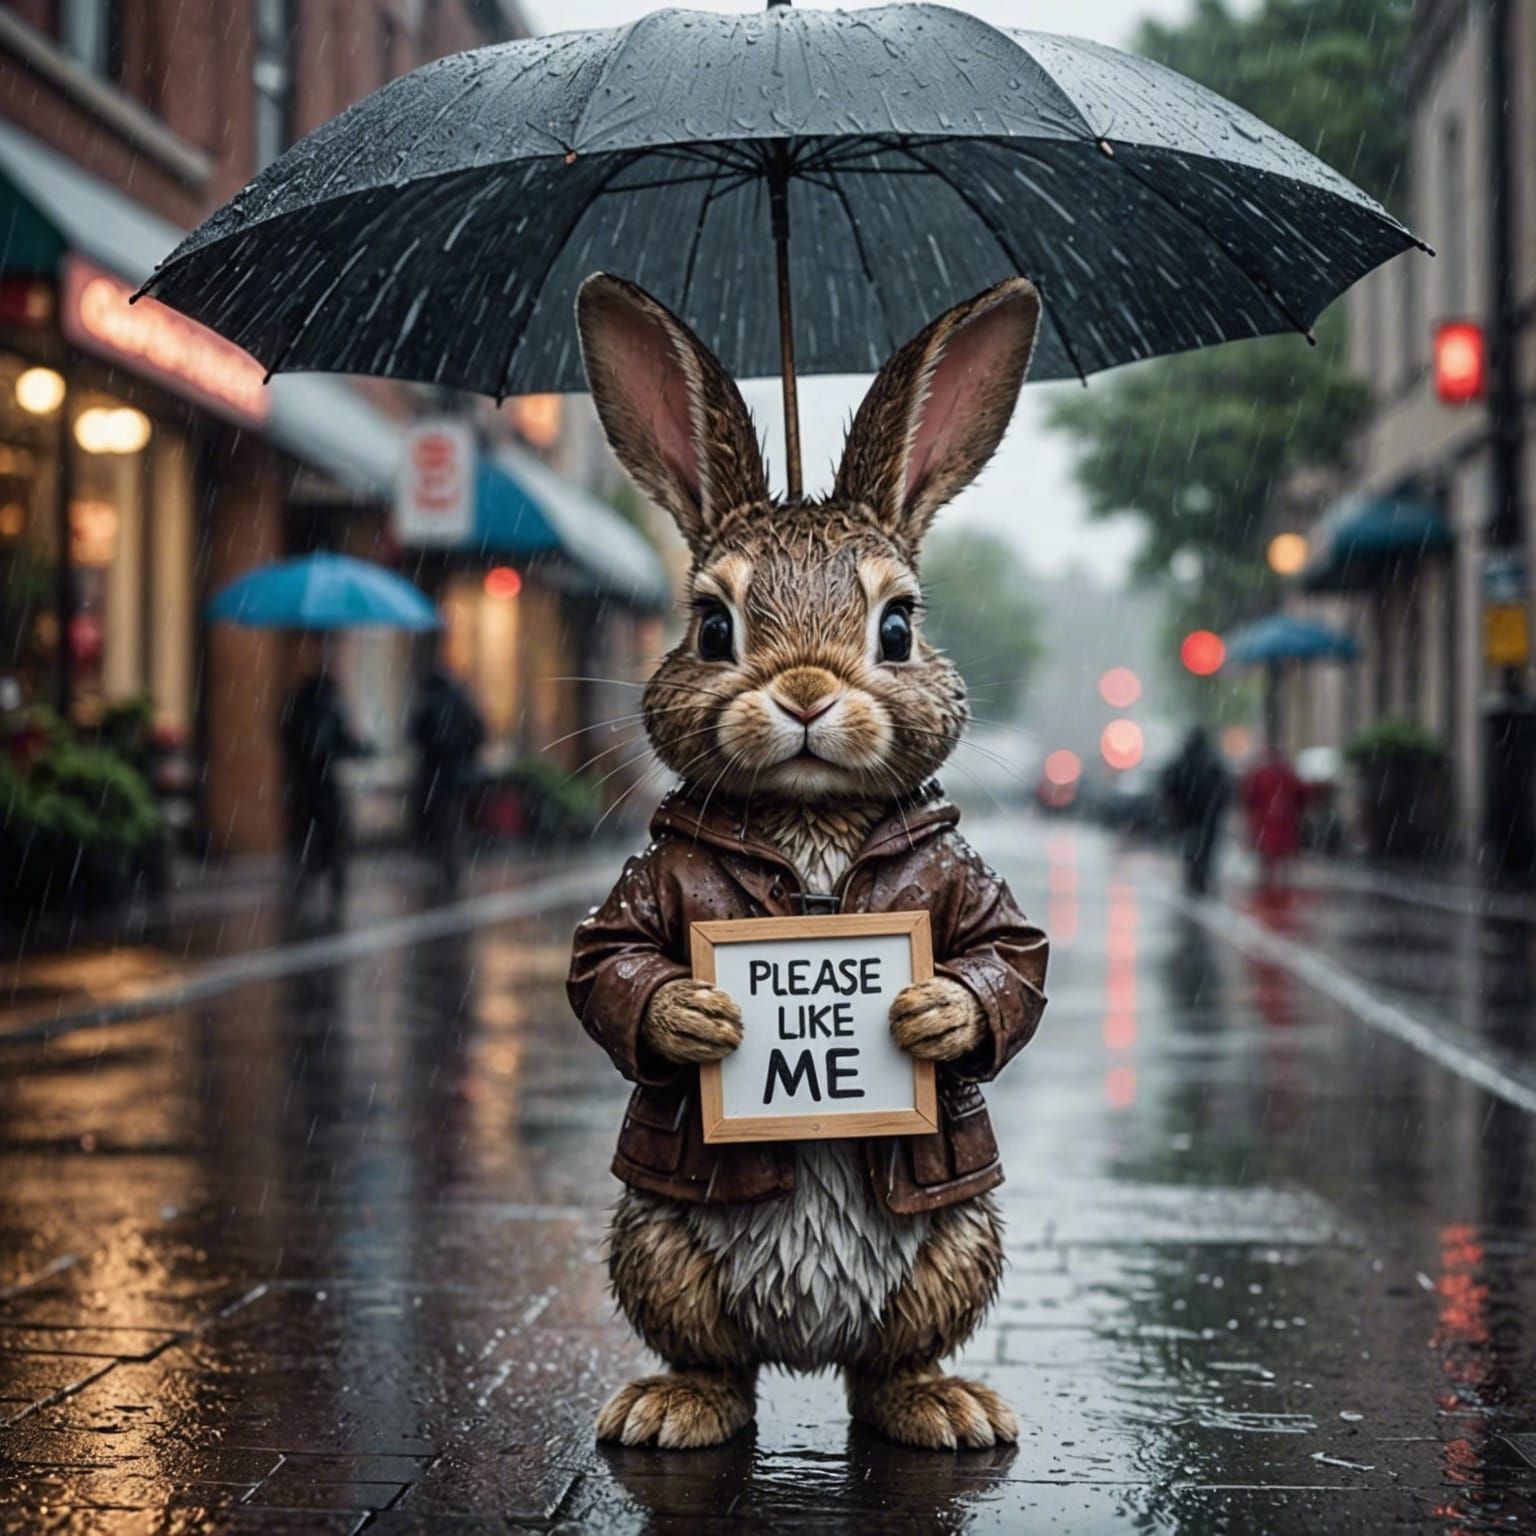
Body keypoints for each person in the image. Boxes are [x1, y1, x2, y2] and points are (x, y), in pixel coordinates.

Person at [280, 645, 371, 915]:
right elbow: (339, 741)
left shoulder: (299, 702)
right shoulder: (325, 705)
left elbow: (288, 736)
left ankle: (307, 882)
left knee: (308, 838)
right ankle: (326, 883)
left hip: (301, 785)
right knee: (330, 837)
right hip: (319, 786)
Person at [410, 661, 485, 895]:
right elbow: (479, 732)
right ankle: (452, 864)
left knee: (438, 820)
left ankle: (444, 863)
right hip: (459, 774)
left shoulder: (430, 703)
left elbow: (416, 734)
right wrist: (466, 756)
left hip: (436, 774)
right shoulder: (461, 702)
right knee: (453, 820)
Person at [1161, 727, 1230, 895]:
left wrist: (1175, 811)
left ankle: (1194, 878)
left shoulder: (1183, 764)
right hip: (1206, 816)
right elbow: (1225, 790)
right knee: (1205, 850)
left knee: (1192, 849)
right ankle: (1200, 878)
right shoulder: (1213, 763)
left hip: (1190, 817)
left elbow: (1169, 787)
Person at [1240, 747, 1306, 888]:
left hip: (1267, 819)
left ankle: (1268, 881)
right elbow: (1301, 795)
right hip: (1281, 819)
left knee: (1268, 852)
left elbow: (1249, 797)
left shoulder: (1261, 774)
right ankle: (1278, 882)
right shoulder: (1287, 774)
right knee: (1279, 852)